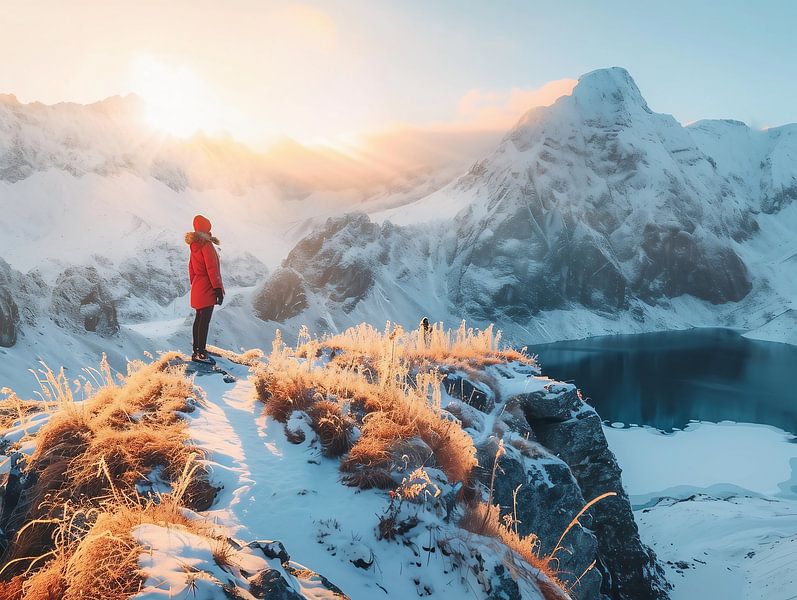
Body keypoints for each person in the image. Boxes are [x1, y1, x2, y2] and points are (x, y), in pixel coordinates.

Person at [185, 214, 224, 363]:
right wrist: (217, 288)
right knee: (204, 320)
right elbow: (212, 268)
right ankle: (201, 353)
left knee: (199, 318)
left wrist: (195, 284)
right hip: (207, 285)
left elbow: (191, 268)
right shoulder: (206, 245)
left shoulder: (194, 246)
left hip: (198, 285)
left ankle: (196, 349)